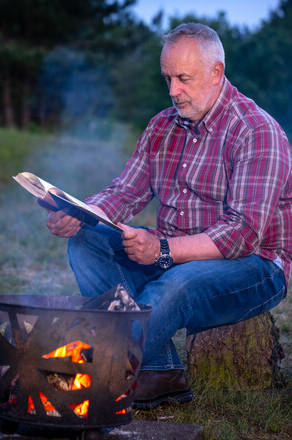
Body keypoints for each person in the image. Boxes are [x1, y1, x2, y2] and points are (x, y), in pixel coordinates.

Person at [43, 22, 292, 409]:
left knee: (179, 282)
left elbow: (242, 234)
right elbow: (126, 191)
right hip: (172, 252)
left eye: (183, 78)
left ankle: (89, 372)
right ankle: (158, 369)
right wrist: (80, 213)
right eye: (167, 78)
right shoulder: (163, 125)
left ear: (216, 73)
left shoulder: (257, 131)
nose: (173, 90)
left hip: (254, 266)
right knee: (89, 241)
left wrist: (163, 251)